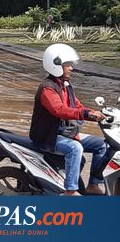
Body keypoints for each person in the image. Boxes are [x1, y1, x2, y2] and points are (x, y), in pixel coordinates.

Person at [29, 43, 112, 196]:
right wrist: (87, 114)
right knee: (75, 148)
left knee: (102, 145)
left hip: (65, 133)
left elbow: (78, 106)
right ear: (56, 65)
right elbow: (60, 110)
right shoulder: (48, 88)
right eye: (68, 65)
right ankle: (71, 190)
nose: (71, 68)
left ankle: (93, 185)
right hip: (49, 136)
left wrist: (97, 114)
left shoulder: (65, 86)